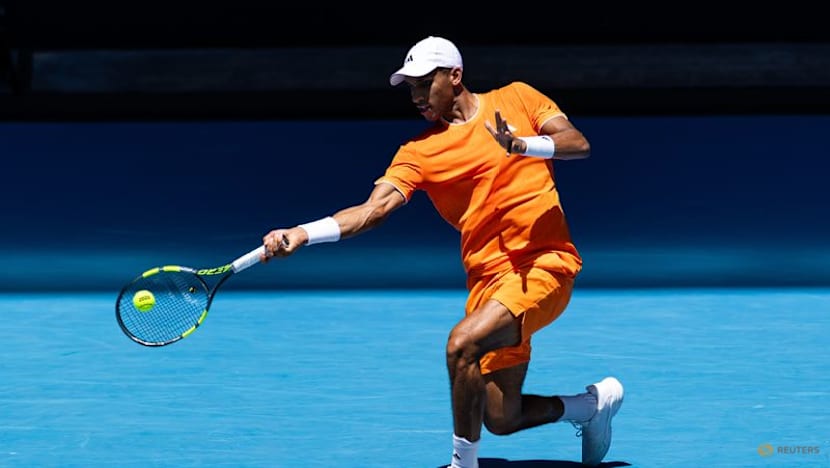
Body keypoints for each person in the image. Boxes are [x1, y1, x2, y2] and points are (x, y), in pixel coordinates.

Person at [260, 35, 624, 468]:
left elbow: (577, 144)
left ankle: (461, 464)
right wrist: (302, 232)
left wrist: (524, 145)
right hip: (488, 286)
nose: (415, 96)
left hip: (544, 266)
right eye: (409, 88)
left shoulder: (518, 98)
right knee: (501, 418)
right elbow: (372, 210)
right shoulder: (419, 152)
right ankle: (591, 406)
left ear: (455, 76)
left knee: (460, 344)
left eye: (423, 83)